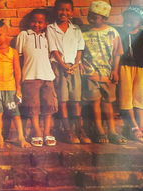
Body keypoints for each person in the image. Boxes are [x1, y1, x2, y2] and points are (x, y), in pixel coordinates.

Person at [82, 1, 127, 144]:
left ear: (105, 18)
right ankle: (100, 130)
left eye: (96, 17)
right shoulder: (84, 33)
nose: (92, 19)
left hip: (107, 74)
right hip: (91, 74)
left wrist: (115, 70)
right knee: (95, 102)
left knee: (108, 103)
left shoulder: (112, 33)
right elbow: (80, 53)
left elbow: (117, 54)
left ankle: (112, 131)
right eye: (91, 16)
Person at [46, 0, 91, 144]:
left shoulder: (76, 29)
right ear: (55, 11)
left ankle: (79, 129)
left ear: (71, 12)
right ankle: (68, 131)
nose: (63, 13)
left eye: (67, 10)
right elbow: (53, 50)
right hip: (60, 67)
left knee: (76, 100)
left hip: (74, 68)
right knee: (63, 99)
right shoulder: (51, 28)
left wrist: (76, 64)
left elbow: (79, 49)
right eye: (60, 10)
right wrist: (63, 65)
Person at [16, 9, 58, 147]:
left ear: (45, 24)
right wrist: (21, 76)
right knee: (33, 107)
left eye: (40, 22)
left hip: (47, 76)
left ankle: (47, 132)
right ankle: (37, 132)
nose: (37, 24)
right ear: (29, 22)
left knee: (48, 106)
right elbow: (19, 57)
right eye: (34, 21)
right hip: (30, 76)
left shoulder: (47, 37)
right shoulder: (24, 35)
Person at [0, 20, 30, 149]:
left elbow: (17, 71)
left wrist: (18, 89)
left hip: (10, 89)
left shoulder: (13, 52)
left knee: (15, 114)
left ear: (7, 34)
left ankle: (21, 138)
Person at [118, 6, 143, 142]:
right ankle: (134, 126)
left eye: (133, 19)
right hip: (125, 68)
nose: (129, 22)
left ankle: (141, 126)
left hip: (141, 69)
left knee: (139, 99)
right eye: (127, 18)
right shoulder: (120, 33)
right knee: (126, 98)